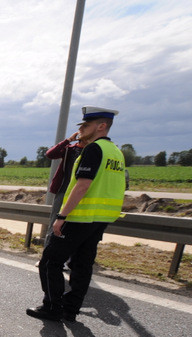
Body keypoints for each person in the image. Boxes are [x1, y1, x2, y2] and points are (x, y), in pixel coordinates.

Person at [27, 106, 126, 323]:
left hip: (79, 217)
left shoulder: (93, 149)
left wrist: (61, 216)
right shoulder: (116, 152)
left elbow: (82, 186)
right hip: (100, 219)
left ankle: (52, 307)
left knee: (50, 262)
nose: (81, 129)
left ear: (101, 126)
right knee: (81, 265)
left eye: (86, 125)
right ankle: (70, 310)